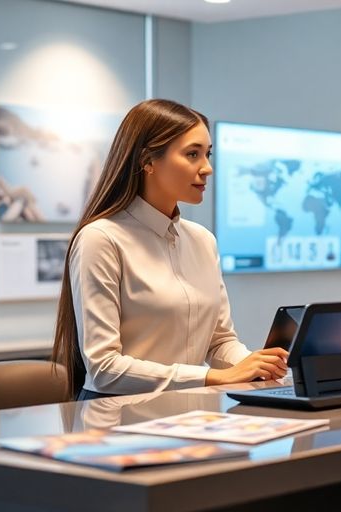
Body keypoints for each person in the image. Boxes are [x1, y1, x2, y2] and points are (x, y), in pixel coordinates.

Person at [51, 99, 288, 400]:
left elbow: (219, 342)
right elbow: (104, 369)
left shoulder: (203, 241)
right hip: (117, 424)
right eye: (192, 154)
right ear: (147, 161)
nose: (208, 168)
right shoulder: (101, 239)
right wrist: (214, 377)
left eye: (207, 154)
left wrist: (256, 364)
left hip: (189, 418)